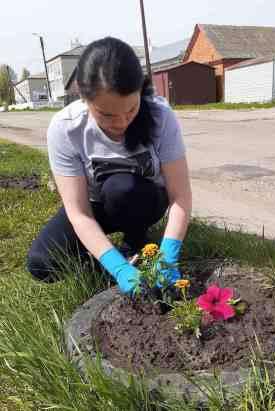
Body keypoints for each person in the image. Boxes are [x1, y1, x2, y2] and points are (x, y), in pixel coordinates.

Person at [27, 37, 192, 294]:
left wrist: (169, 253)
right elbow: (79, 212)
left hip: (142, 199)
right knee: (42, 263)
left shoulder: (160, 116)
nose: (122, 123)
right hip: (96, 206)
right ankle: (118, 266)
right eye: (106, 114)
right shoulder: (66, 128)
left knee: (121, 187)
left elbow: (180, 195)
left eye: (131, 109)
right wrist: (116, 267)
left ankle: (136, 241)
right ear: (83, 95)